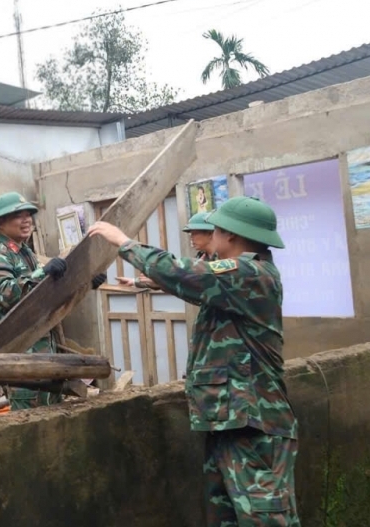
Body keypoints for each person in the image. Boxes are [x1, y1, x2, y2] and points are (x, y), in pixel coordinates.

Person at [88, 196, 298, 526]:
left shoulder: (249, 272)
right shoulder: (241, 277)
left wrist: (124, 243)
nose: (208, 235)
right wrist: (148, 282)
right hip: (230, 421)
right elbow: (192, 286)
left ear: (231, 235)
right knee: (226, 516)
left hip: (254, 424)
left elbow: (185, 274)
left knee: (265, 518)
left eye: (213, 230)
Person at [0, 192, 106, 410]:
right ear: (0, 222)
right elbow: (6, 294)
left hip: (42, 349)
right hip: (20, 354)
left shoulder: (25, 251)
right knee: (27, 419)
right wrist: (41, 274)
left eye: (28, 214)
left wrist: (85, 283)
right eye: (18, 215)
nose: (27, 220)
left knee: (50, 410)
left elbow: (48, 295)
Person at [117, 211, 215, 290]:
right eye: (190, 234)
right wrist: (135, 282)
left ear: (210, 233)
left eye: (194, 233)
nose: (191, 238)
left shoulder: (222, 260)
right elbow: (180, 278)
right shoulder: (202, 256)